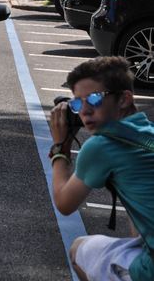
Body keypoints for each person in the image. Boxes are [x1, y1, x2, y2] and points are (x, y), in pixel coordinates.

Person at [49, 57, 154, 281]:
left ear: (124, 99)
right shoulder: (147, 134)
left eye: (94, 99)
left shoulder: (101, 146)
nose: (84, 111)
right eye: (77, 103)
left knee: (79, 249)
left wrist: (60, 148)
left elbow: (64, 203)